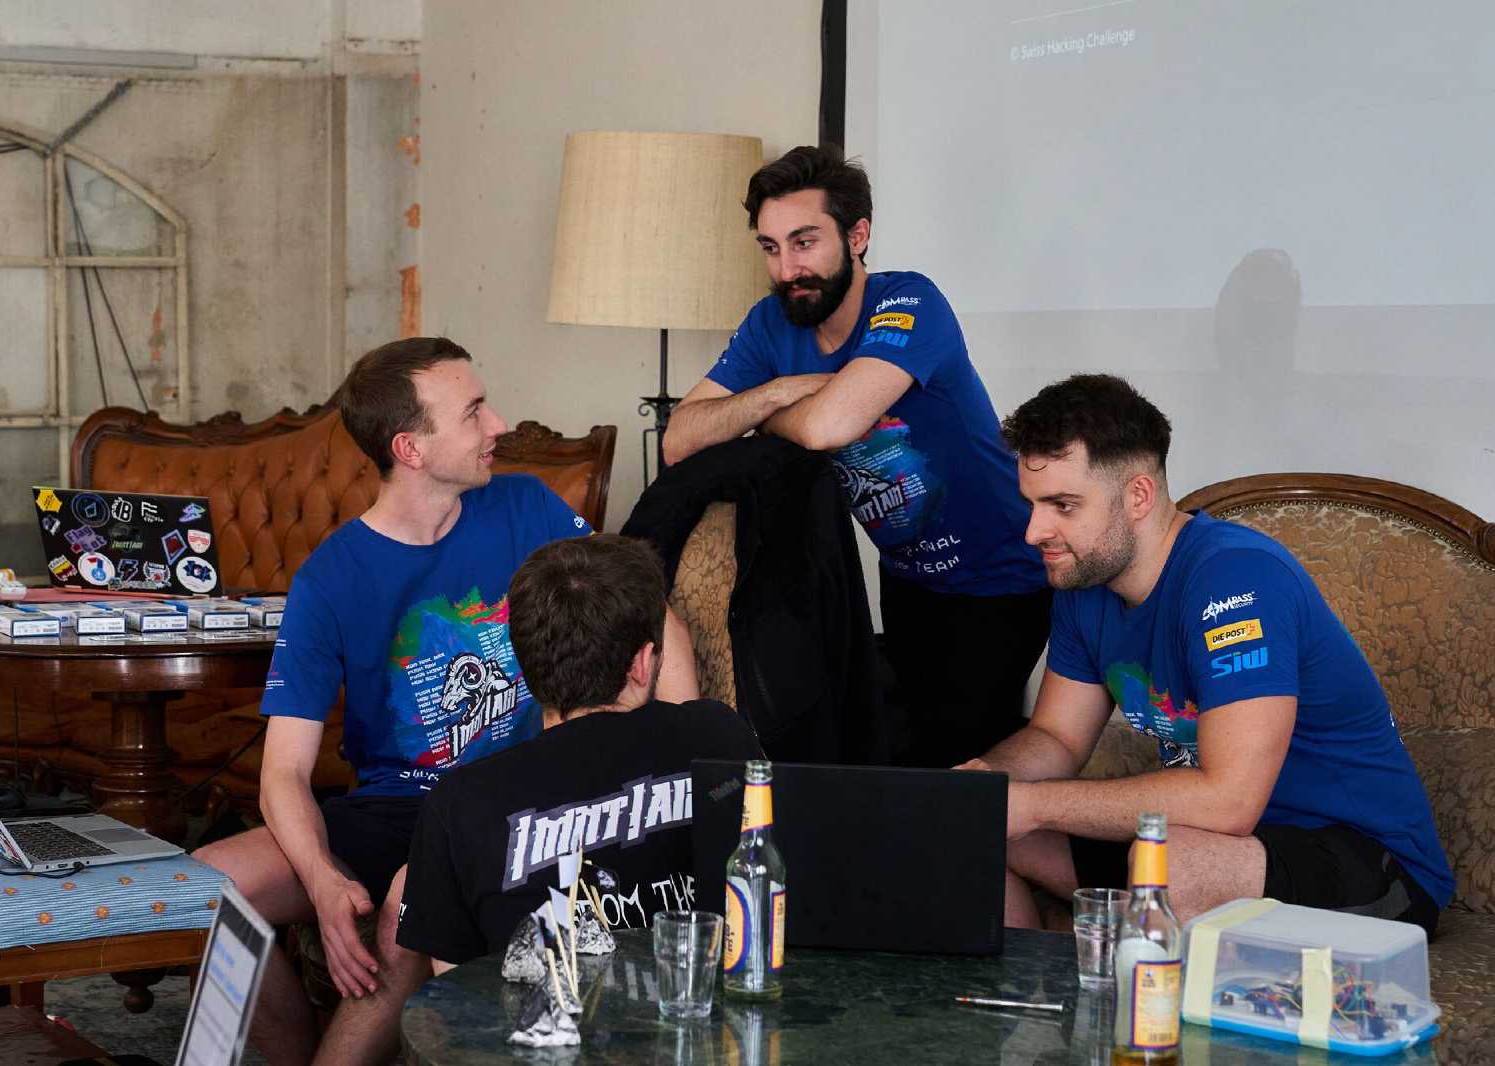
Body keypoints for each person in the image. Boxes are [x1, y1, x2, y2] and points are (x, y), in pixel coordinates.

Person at [192, 337, 698, 1066]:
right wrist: (324, 882)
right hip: (393, 807)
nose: (499, 426)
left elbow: (648, 609)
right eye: (474, 412)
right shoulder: (330, 578)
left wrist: (676, 740)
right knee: (203, 894)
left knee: (410, 900)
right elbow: (284, 774)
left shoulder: (525, 507)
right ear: (411, 448)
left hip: (518, 795)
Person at [969, 373, 1453, 933]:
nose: (1034, 531)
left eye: (1063, 505)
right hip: (1217, 843)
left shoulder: (1234, 578)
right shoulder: (1084, 585)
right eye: (1032, 504)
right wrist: (985, 782)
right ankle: (1035, 990)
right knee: (978, 832)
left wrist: (1034, 805)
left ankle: (1134, 975)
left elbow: (1228, 801)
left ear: (1138, 497)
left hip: (1368, 861)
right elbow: (1057, 738)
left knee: (1171, 864)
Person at [663, 144, 1049, 768]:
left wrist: (762, 416)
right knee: (898, 760)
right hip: (906, 580)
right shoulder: (770, 324)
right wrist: (782, 391)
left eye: (805, 242)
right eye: (771, 248)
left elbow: (830, 426)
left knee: (960, 769)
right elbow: (679, 438)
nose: (788, 268)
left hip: (1000, 578)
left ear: (858, 235)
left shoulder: (911, 303)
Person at [397, 534, 764, 971]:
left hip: (540, 1015)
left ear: (525, 663)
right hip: (702, 1007)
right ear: (643, 662)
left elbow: (456, 995)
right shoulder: (718, 734)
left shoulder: (457, 805)